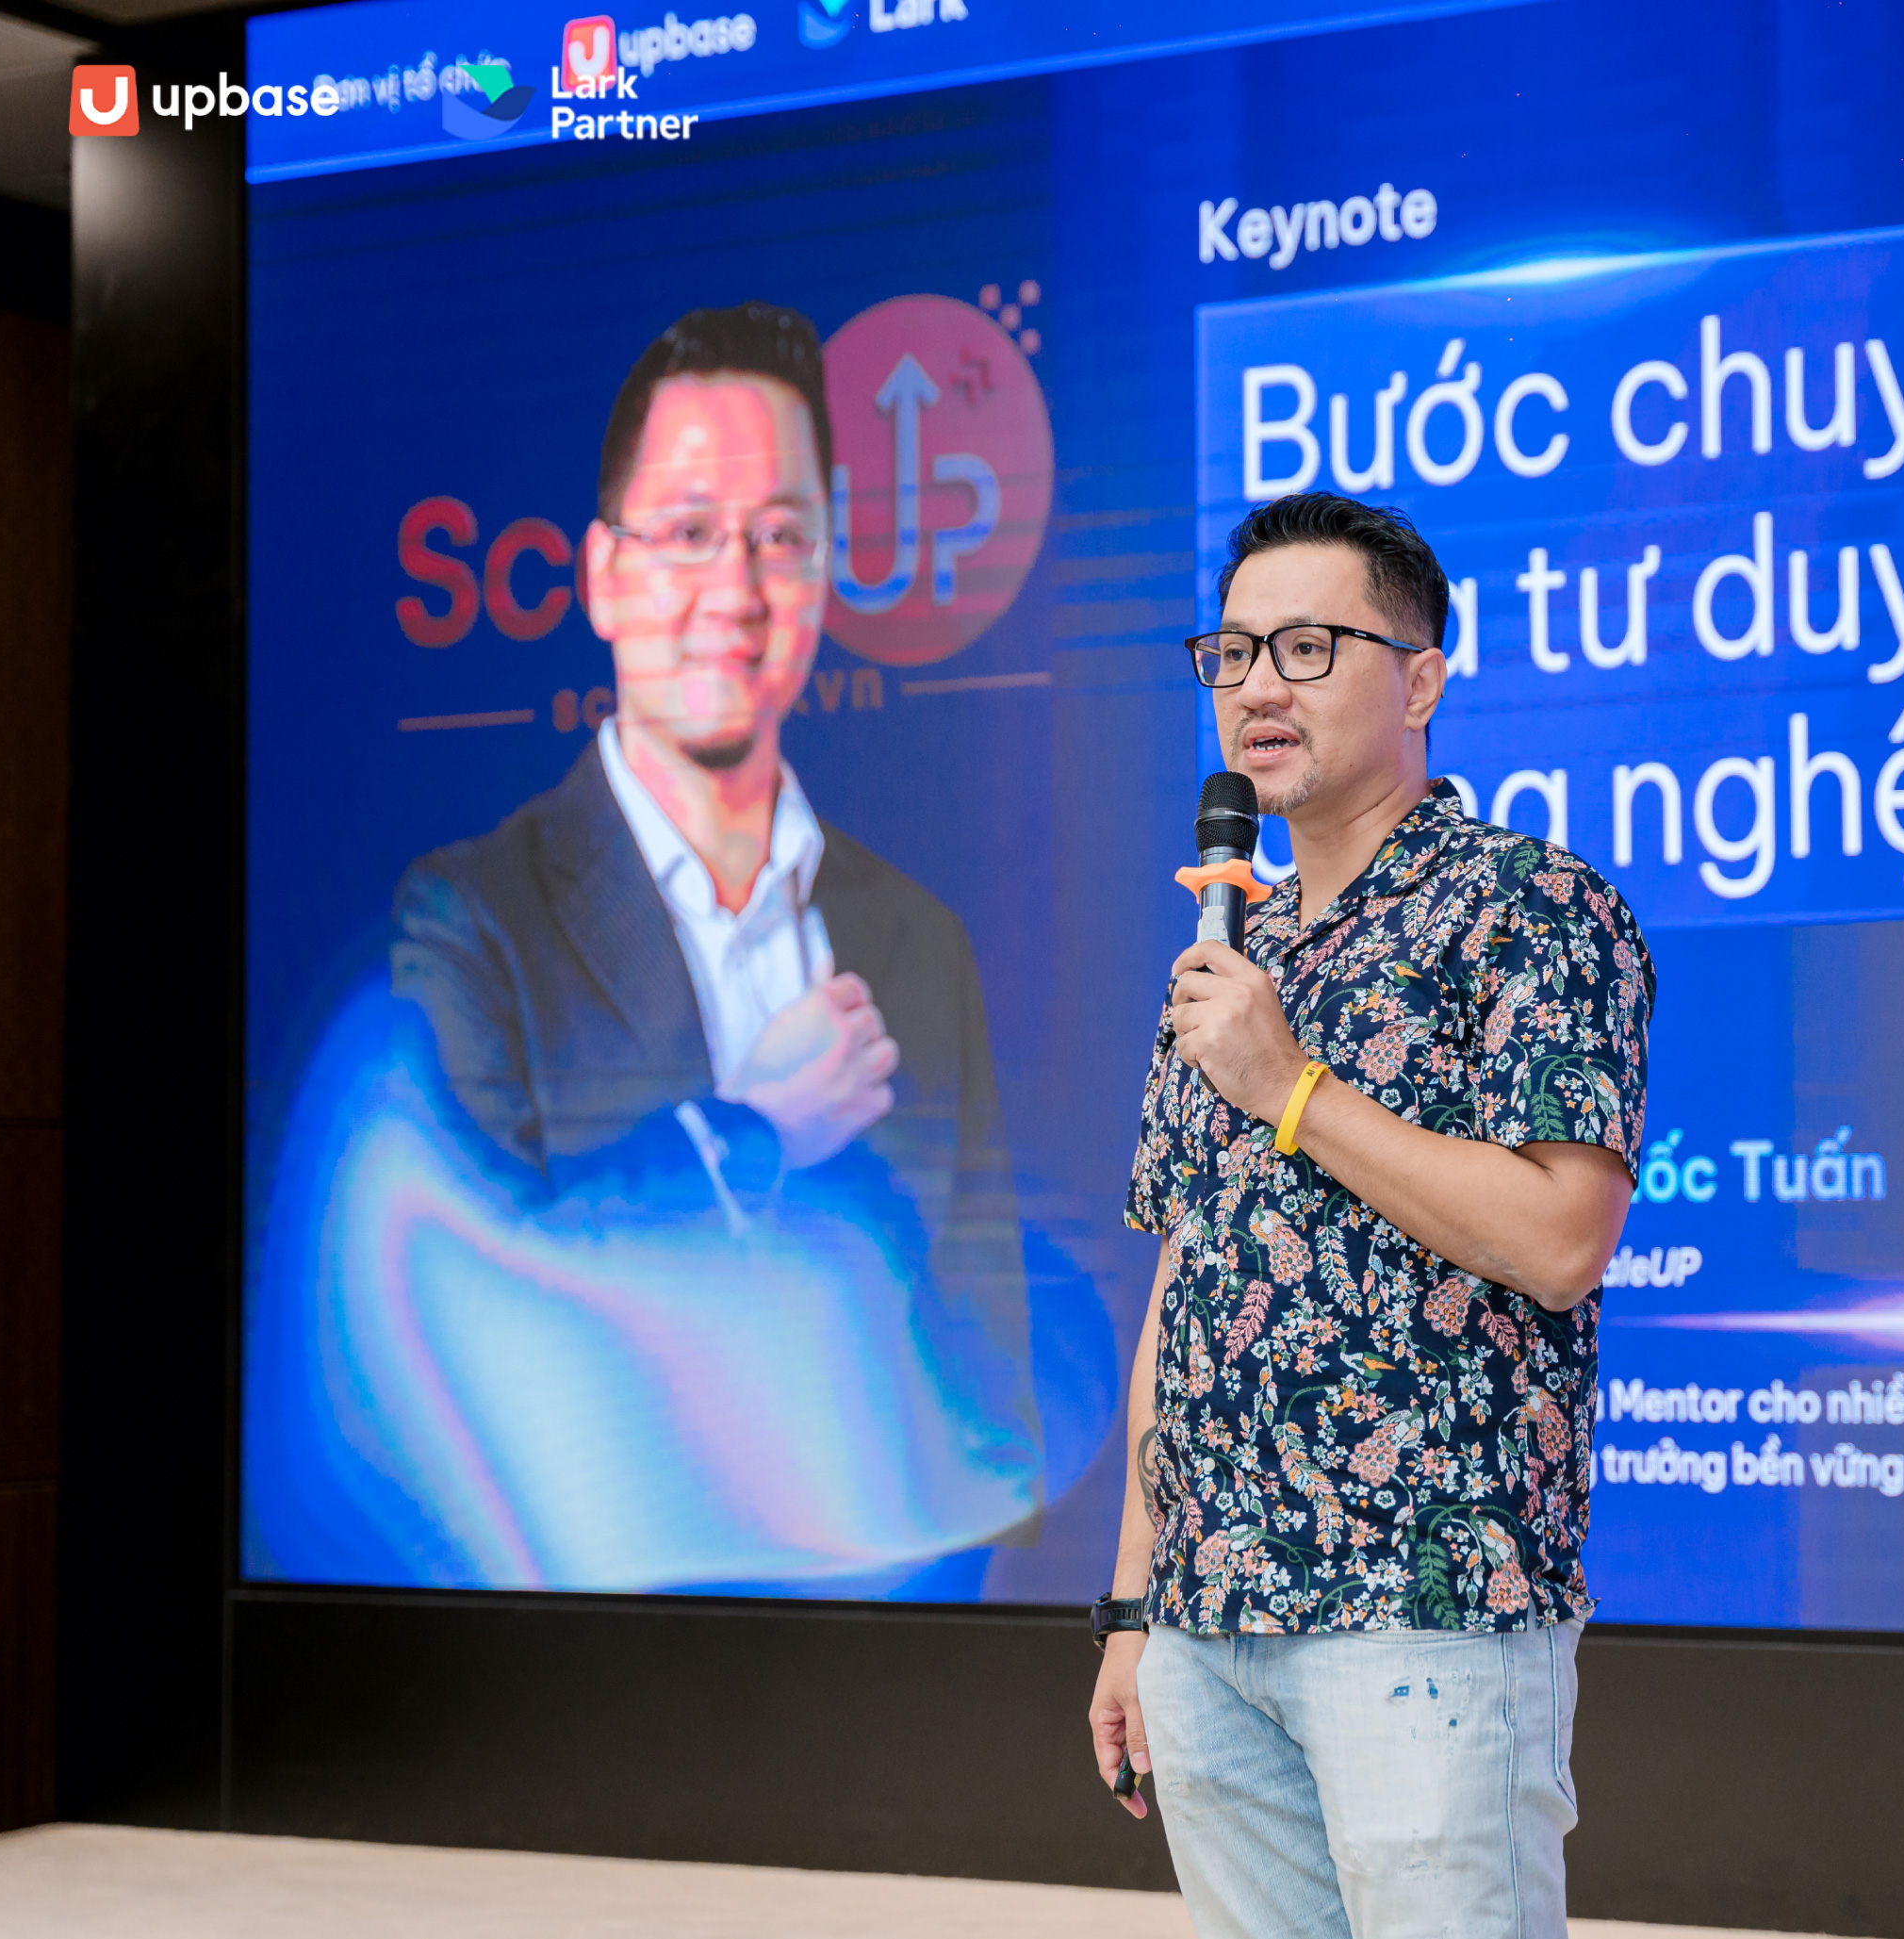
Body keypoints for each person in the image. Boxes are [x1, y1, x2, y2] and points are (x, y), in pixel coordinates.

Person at [1086, 493, 1654, 1938]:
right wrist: (1133, 1606)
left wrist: (1290, 1085)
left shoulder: (1529, 908)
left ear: (1418, 680)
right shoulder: (1226, 959)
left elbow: (1560, 1240)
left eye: (1306, 646)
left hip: (1421, 1608)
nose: (1255, 685)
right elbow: (1187, 1287)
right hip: (1209, 1619)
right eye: (1230, 652)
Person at [387, 302, 1038, 1559]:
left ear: (824, 574)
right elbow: (469, 1325)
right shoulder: (471, 919)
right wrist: (748, 1133)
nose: (735, 592)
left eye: (778, 538)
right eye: (688, 534)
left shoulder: (917, 941)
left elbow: (988, 1383)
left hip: (883, 1652)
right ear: (604, 575)